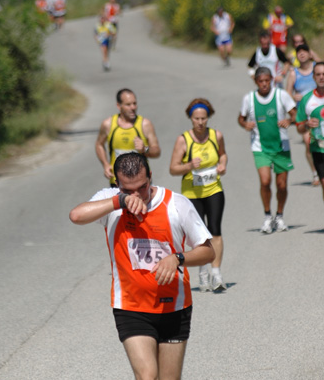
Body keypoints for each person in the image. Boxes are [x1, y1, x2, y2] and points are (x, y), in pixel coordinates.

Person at [69, 152, 215, 380]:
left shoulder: (176, 204)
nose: (138, 193)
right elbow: (76, 216)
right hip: (131, 307)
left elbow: (207, 250)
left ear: (152, 177)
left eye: (143, 186)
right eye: (128, 188)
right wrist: (119, 201)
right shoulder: (111, 202)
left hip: (175, 306)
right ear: (118, 184)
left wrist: (178, 258)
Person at [169, 98, 228, 292]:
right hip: (192, 193)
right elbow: (173, 168)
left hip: (213, 189)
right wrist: (188, 166)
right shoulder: (183, 140)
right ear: (191, 119)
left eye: (204, 118)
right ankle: (202, 273)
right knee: (199, 236)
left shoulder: (216, 135)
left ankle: (217, 274)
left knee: (215, 231)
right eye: (196, 119)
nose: (201, 122)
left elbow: (223, 154)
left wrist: (222, 165)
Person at [238, 66, 296, 233]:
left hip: (281, 146)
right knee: (265, 181)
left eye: (267, 80)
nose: (264, 84)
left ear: (271, 79)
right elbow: (241, 118)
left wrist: (289, 121)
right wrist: (245, 124)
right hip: (260, 147)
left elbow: (294, 112)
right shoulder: (249, 98)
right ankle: (267, 216)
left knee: (282, 185)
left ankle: (279, 216)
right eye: (260, 81)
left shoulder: (281, 95)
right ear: (256, 81)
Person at [95, 88, 161, 185]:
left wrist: (145, 149)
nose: (133, 107)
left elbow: (157, 152)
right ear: (119, 105)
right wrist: (105, 164)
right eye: (128, 104)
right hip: (118, 182)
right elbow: (99, 144)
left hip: (141, 184)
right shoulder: (108, 124)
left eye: (134, 103)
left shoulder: (145, 124)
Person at [286, 44, 320, 186]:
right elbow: (286, 94)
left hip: (321, 112)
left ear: (309, 53)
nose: (301, 54)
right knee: (308, 144)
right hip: (304, 115)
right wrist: (294, 97)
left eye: (304, 52)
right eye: (298, 52)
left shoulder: (317, 70)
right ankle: (315, 173)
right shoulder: (294, 74)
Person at [296, 62, 324, 203]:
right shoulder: (307, 100)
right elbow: (299, 128)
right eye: (318, 74)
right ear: (313, 77)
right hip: (318, 148)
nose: (321, 77)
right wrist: (306, 124)